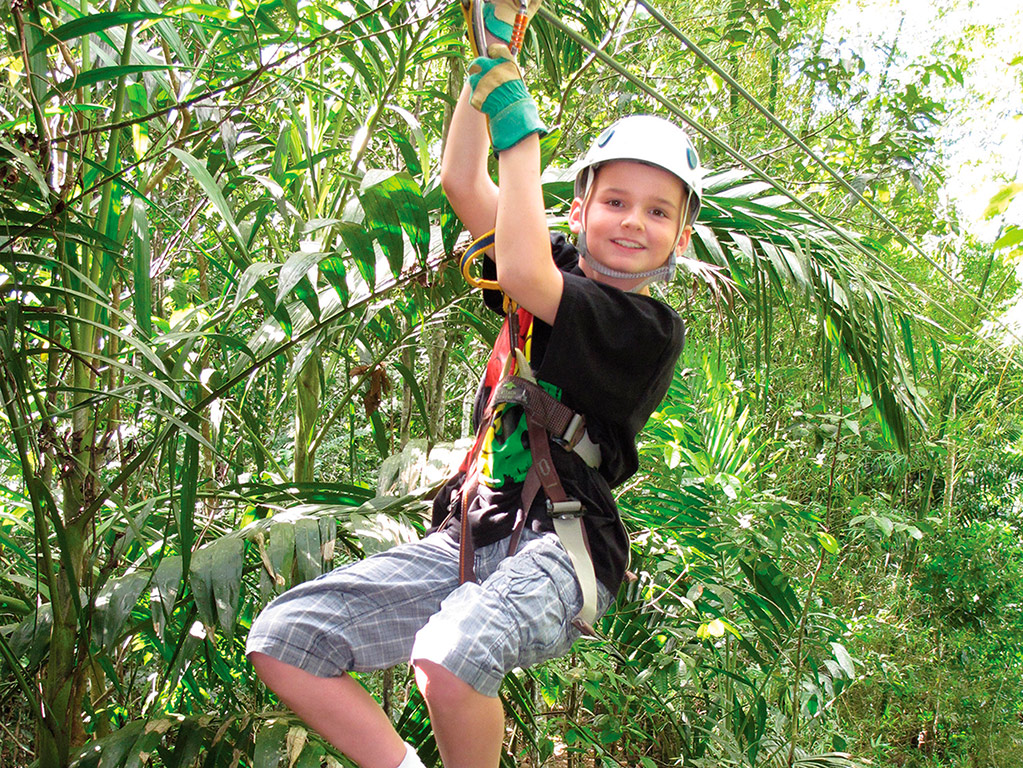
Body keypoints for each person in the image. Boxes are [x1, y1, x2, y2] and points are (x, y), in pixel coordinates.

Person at [245, 2, 703, 766]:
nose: (633, 222)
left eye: (657, 212)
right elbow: (463, 182)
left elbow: (521, 270)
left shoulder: (647, 329)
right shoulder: (554, 265)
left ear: (679, 238)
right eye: (616, 202)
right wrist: (492, 51)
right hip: (473, 533)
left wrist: (519, 123)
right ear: (581, 209)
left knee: (449, 656)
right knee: (286, 640)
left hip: (562, 547)